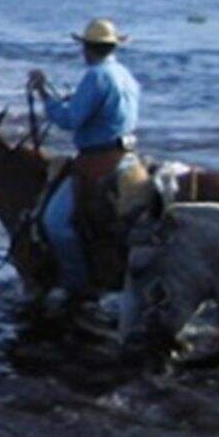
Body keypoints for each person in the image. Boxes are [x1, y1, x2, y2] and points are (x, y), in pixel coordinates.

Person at [27, 18, 141, 305]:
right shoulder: (124, 74)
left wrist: (44, 95)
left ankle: (77, 286)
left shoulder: (95, 76)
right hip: (126, 154)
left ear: (87, 48)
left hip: (98, 160)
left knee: (55, 223)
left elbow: (69, 120)